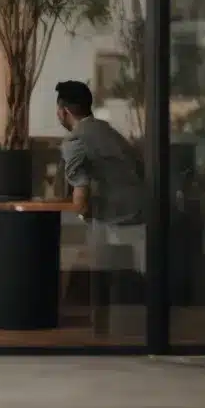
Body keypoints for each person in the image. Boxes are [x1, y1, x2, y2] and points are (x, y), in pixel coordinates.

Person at [54, 80, 148, 271]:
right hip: (141, 216)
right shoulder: (108, 131)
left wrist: (76, 219)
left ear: (65, 111)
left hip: (111, 223)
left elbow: (80, 198)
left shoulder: (75, 140)